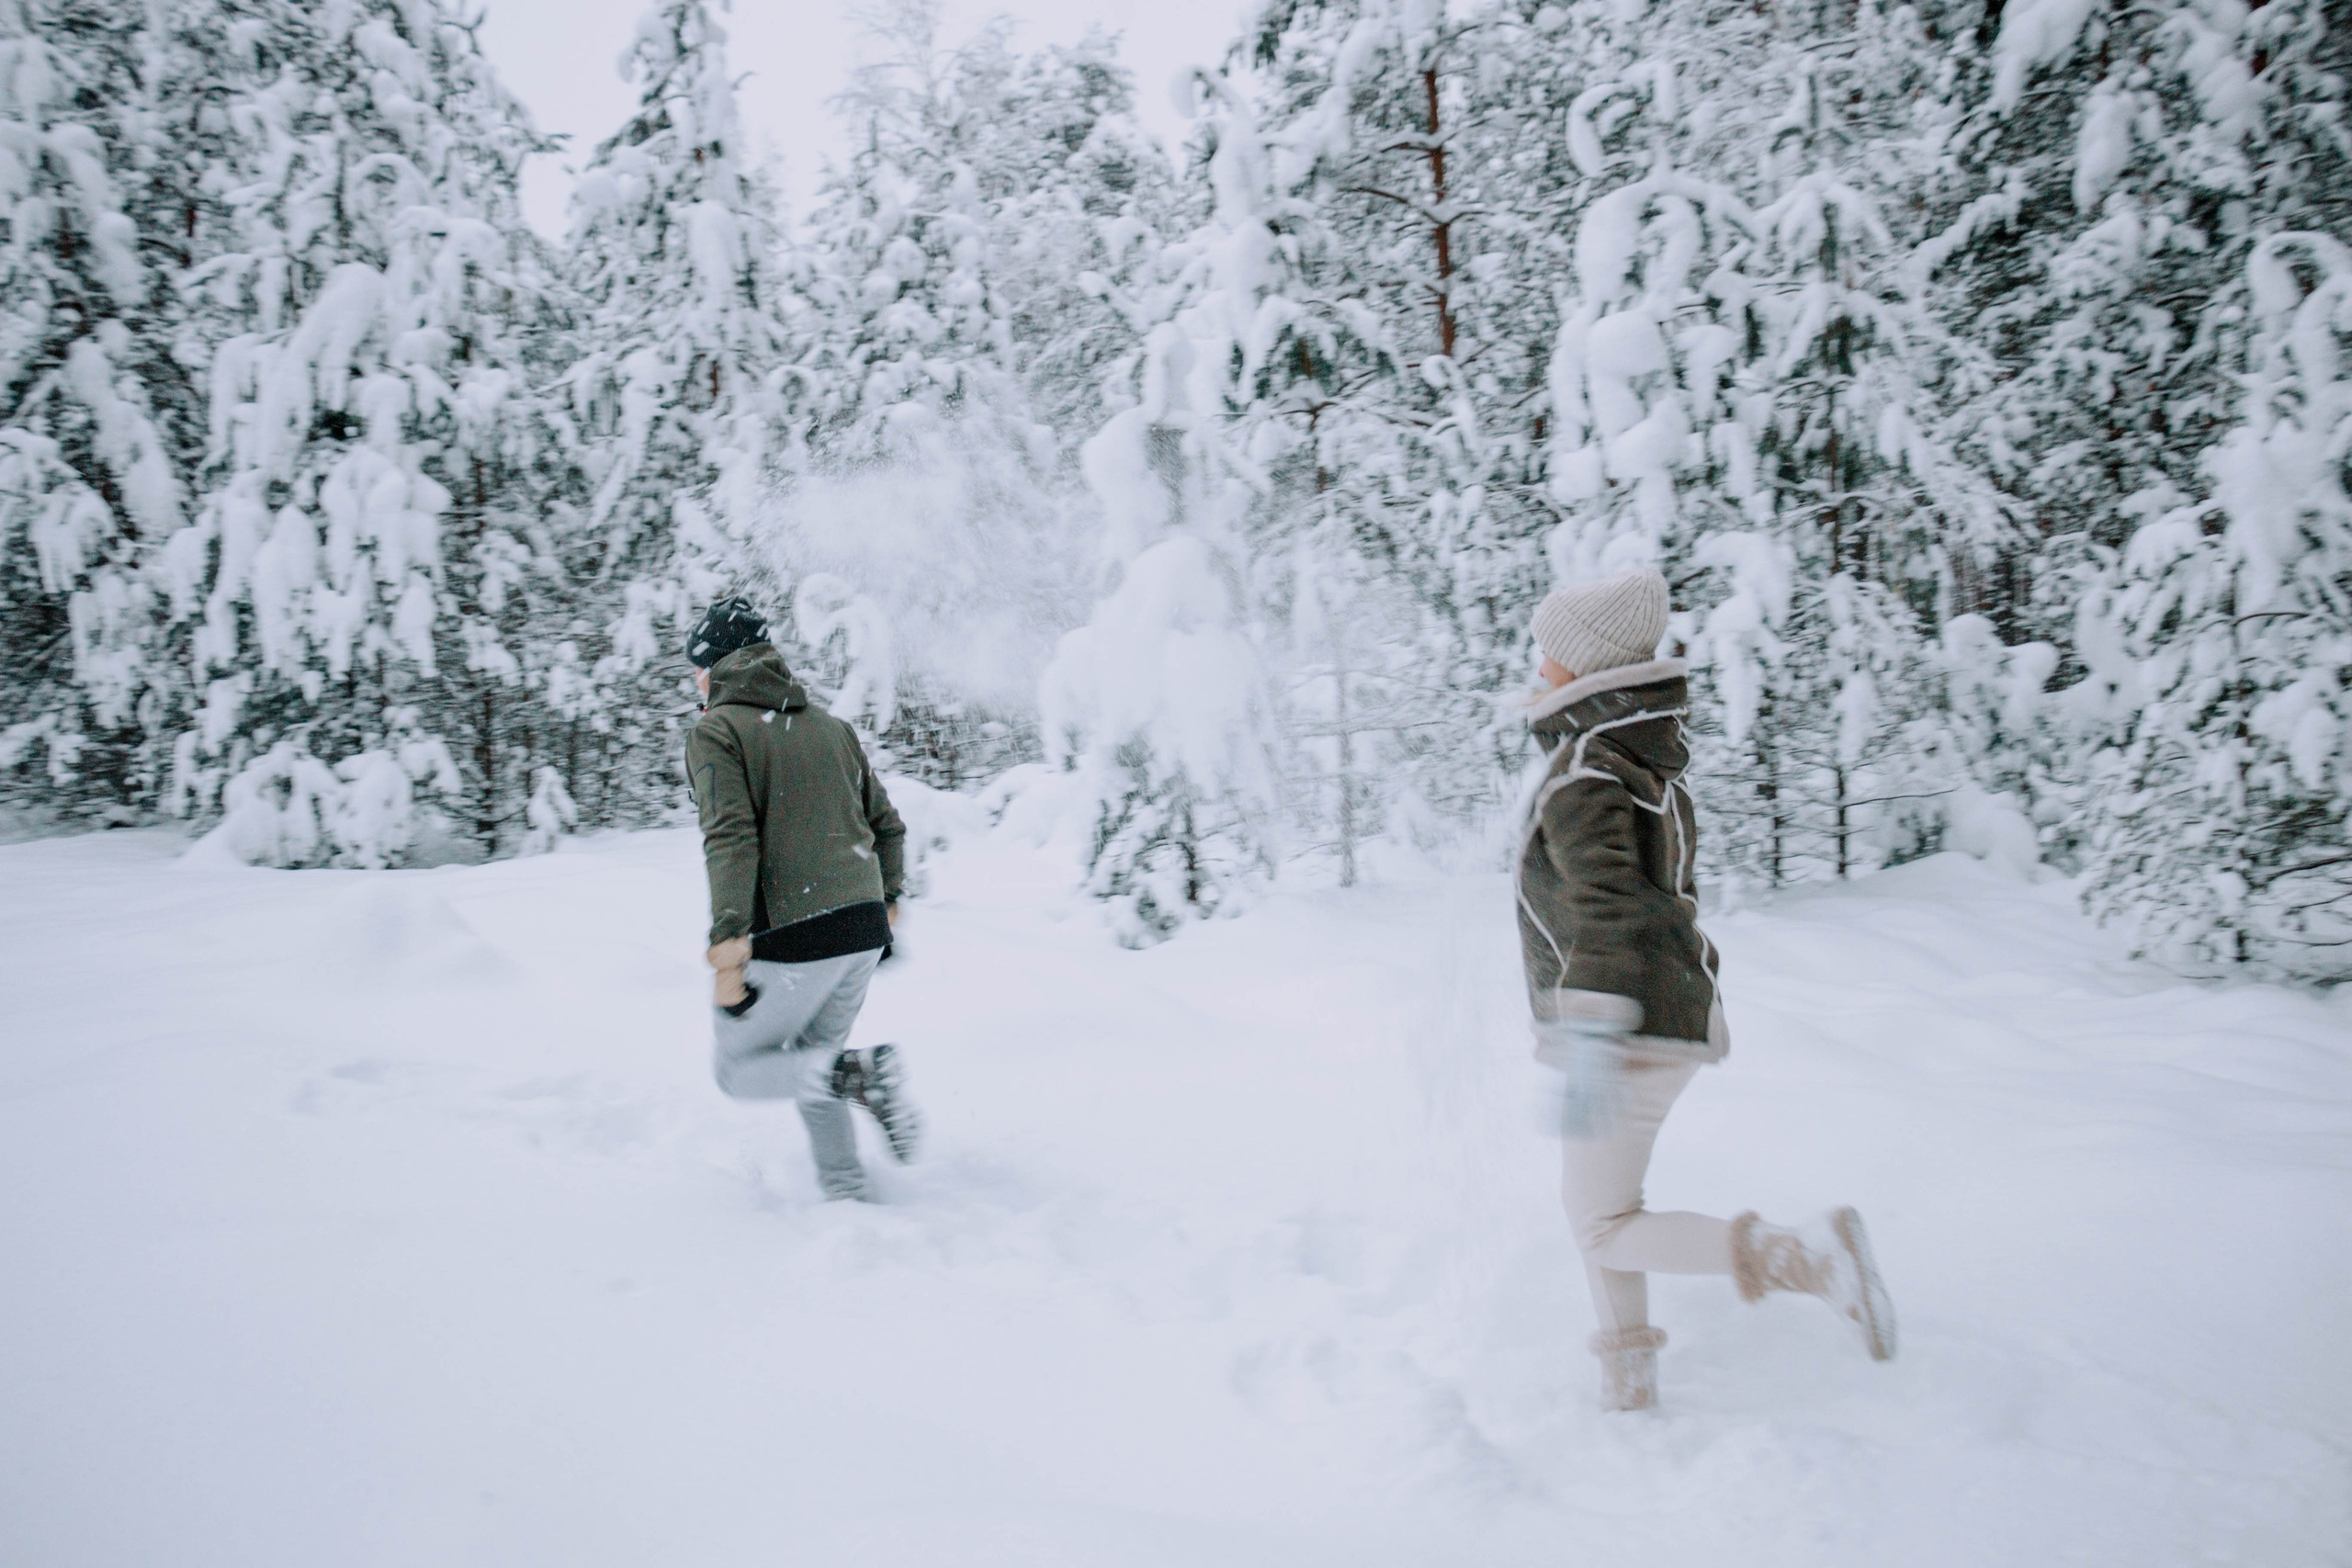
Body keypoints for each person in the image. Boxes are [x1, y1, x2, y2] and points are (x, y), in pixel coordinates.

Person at [1517, 568, 1895, 1411]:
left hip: (1625, 1026)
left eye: (1548, 652)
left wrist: (1591, 1031)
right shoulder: (1637, 756)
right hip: (1662, 1011)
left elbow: (1612, 907)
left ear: (1584, 667)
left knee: (1602, 1222)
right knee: (1600, 1211)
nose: (1538, 666)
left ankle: (1808, 1257)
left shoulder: (1583, 772)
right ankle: (1628, 1384)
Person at [685, 596, 919, 1201]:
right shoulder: (831, 728)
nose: (696, 682)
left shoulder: (717, 730)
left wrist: (729, 941)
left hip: (794, 932)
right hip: (863, 929)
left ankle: (860, 1074)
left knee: (739, 1071)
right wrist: (888, 899)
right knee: (819, 1062)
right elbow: (889, 827)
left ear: (716, 666)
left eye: (698, 669)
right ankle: (847, 1194)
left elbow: (731, 837)